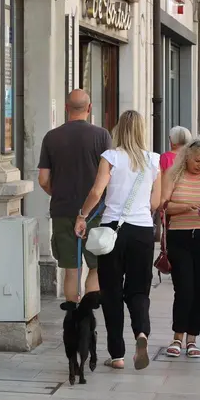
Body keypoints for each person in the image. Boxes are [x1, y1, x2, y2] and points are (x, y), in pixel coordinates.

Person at [74, 110, 161, 371]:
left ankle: (117, 354)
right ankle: (142, 334)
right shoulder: (154, 160)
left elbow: (96, 191)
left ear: (118, 130)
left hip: (113, 230)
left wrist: (83, 215)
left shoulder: (111, 157)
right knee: (138, 290)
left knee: (111, 292)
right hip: (143, 231)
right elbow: (155, 203)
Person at [38, 89, 112, 308]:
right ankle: (87, 313)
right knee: (95, 266)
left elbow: (43, 179)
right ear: (89, 109)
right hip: (94, 211)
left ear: (65, 108)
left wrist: (57, 192)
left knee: (71, 269)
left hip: (62, 210)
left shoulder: (52, 137)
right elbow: (108, 175)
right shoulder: (102, 136)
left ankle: (72, 314)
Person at [161, 138, 200, 358]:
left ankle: (192, 339)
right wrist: (186, 207)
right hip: (180, 236)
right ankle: (178, 336)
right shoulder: (173, 175)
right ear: (187, 157)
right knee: (184, 288)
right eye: (197, 161)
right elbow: (164, 205)